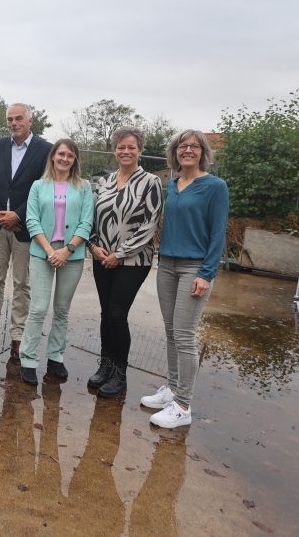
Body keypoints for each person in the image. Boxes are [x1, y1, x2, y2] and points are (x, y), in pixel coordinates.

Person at [142, 130, 228, 428]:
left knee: (185, 336)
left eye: (194, 146)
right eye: (183, 146)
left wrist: (207, 273)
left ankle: (183, 405)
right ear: (175, 152)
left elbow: (218, 233)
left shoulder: (215, 187)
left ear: (203, 152)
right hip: (166, 264)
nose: (188, 150)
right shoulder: (174, 185)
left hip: (194, 267)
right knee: (170, 331)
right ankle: (173, 389)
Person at [87, 126, 164, 397]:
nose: (126, 151)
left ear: (140, 151)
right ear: (114, 150)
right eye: (121, 147)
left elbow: (150, 224)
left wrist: (119, 254)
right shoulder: (104, 182)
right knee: (105, 312)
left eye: (131, 147)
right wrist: (94, 246)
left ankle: (120, 374)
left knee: (118, 314)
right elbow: (93, 218)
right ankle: (105, 365)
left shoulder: (150, 182)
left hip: (133, 261)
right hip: (101, 257)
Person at [0, 103, 52, 357]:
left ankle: (18, 336)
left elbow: (44, 186)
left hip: (25, 227)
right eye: (10, 119)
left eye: (18, 119)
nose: (13, 123)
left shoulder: (45, 150)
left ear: (30, 121)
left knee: (22, 283)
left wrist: (18, 214)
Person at [18, 139, 93, 386]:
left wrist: (68, 250)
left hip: (72, 255)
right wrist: (51, 250)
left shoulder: (83, 187)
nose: (65, 159)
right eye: (61, 154)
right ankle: (28, 359)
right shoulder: (38, 186)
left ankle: (55, 356)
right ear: (53, 156)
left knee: (62, 310)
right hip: (43, 252)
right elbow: (32, 220)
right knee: (38, 308)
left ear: (75, 160)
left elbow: (86, 222)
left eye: (70, 155)